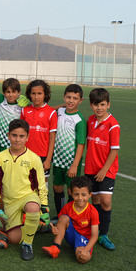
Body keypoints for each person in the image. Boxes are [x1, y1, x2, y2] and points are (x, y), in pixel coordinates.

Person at [0, 119, 49, 261]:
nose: (17, 139)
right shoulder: (0, 157)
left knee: (33, 208)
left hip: (27, 196)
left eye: (21, 136)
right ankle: (34, 225)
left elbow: (41, 185)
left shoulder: (34, 158)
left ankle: (28, 244)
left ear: (27, 137)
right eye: (14, 135)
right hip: (10, 201)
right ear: (8, 135)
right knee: (13, 238)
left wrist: (44, 207)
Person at [85, 88, 120, 251]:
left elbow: (114, 150)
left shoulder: (113, 125)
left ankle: (104, 234)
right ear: (91, 105)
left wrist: (104, 170)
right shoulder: (90, 121)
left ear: (108, 105)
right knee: (96, 201)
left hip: (106, 170)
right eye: (95, 104)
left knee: (106, 201)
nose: (99, 108)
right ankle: (95, 231)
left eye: (102, 104)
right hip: (90, 169)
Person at [42, 176, 99, 263]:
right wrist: (55, 229)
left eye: (83, 194)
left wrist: (86, 249)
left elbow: (94, 235)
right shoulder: (68, 207)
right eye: (76, 194)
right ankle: (55, 248)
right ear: (71, 193)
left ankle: (79, 249)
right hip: (71, 235)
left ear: (90, 195)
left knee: (83, 258)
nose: (80, 198)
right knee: (64, 218)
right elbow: (60, 222)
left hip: (84, 238)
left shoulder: (93, 211)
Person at [52, 84, 86, 216]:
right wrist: (61, 106)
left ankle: (72, 216)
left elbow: (81, 144)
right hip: (58, 159)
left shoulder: (79, 120)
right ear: (64, 97)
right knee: (57, 187)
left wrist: (75, 165)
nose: (71, 101)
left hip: (71, 162)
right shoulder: (60, 112)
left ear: (80, 101)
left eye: (75, 98)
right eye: (68, 97)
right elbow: (49, 110)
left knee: (73, 190)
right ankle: (62, 214)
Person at [20, 79, 57, 182]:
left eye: (39, 93)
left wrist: (48, 159)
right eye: (33, 93)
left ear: (45, 94)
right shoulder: (25, 111)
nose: (36, 97)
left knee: (41, 186)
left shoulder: (51, 112)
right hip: (25, 154)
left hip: (43, 156)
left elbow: (52, 137)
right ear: (29, 95)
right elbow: (21, 134)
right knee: (25, 183)